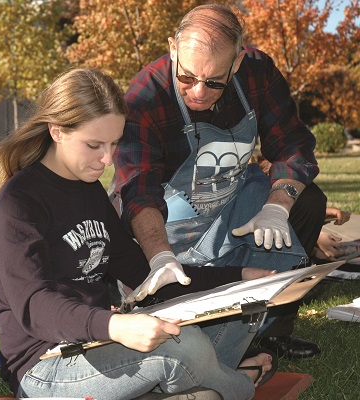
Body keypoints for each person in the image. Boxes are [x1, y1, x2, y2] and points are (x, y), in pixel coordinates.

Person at [0, 68, 278, 400]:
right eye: (94, 145)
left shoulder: (89, 191)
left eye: (114, 143)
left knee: (246, 308)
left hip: (99, 343)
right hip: (47, 367)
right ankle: (237, 386)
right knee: (185, 346)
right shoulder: (18, 204)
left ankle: (198, 385)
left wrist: (241, 278)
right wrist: (116, 327)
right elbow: (35, 307)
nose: (107, 160)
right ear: (57, 131)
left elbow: (143, 275)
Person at [111, 3, 326, 359]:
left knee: (307, 201)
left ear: (237, 63)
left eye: (214, 82)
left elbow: (292, 144)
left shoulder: (258, 73)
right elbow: (137, 186)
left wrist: (277, 206)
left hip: (230, 205)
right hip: (165, 225)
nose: (198, 92)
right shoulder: (145, 96)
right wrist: (159, 255)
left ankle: (273, 330)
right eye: (187, 77)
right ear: (172, 49)